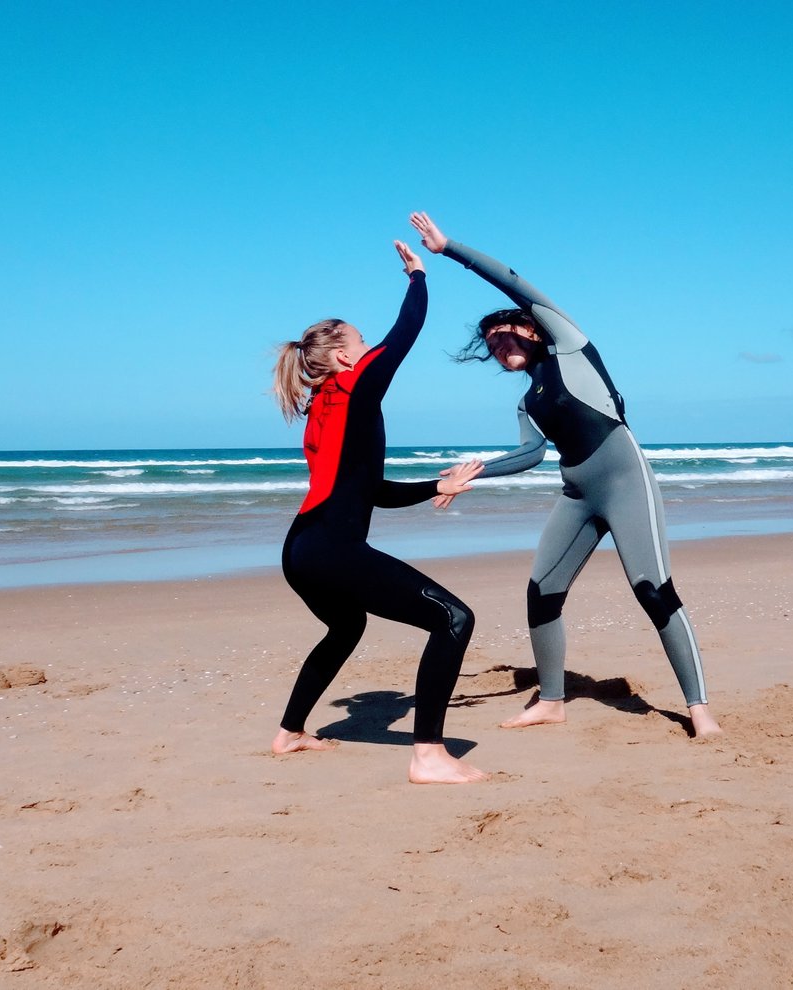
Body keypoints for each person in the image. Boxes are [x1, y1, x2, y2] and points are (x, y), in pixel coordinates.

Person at [409, 211, 723, 738]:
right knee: (542, 589)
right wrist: (474, 471)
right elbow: (530, 455)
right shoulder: (528, 403)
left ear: (532, 328)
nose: (497, 343)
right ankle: (552, 700)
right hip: (577, 491)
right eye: (489, 341)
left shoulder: (571, 346)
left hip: (625, 481)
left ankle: (700, 711)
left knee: (653, 589)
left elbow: (511, 281)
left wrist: (449, 250)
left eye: (504, 331)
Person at [270, 239, 491, 783]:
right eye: (361, 343)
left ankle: (289, 733)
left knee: (345, 628)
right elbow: (405, 335)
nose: (369, 349)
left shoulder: (324, 410)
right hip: (331, 550)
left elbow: (369, 492)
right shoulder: (353, 389)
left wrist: (438, 485)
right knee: (453, 619)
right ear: (346, 357)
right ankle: (429, 757)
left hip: (301, 549)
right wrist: (418, 277)